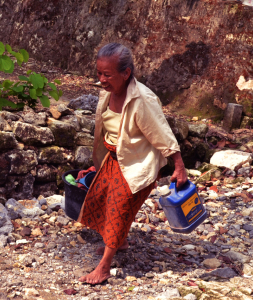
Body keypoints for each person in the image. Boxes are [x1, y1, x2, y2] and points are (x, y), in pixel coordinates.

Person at [77, 43, 188, 285]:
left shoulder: (142, 99)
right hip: (113, 158)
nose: (102, 79)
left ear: (126, 73)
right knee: (101, 200)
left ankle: (104, 267)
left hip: (138, 163)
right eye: (99, 73)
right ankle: (121, 241)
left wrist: (179, 166)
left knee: (119, 208)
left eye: (107, 74)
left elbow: (162, 133)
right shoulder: (107, 91)